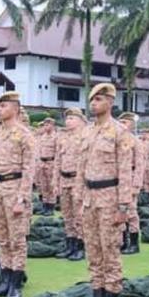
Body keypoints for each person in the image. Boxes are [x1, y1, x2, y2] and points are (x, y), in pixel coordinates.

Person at [77, 84, 132, 297]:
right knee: (93, 253)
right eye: (92, 100)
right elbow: (82, 168)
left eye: (99, 99)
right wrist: (80, 197)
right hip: (90, 198)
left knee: (110, 253)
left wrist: (124, 207)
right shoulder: (87, 132)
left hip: (110, 197)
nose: (94, 104)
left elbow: (125, 173)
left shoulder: (120, 132)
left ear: (110, 102)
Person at [0, 92, 36, 297]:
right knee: (2, 238)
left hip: (15, 188)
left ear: (15, 108)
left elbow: (29, 169)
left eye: (4, 106)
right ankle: (4, 280)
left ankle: (15, 283)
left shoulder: (25, 134)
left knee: (17, 239)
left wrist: (22, 198)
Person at [56, 108, 88, 261]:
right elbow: (58, 161)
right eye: (67, 118)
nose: (68, 121)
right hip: (64, 180)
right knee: (67, 215)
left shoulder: (85, 137)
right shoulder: (63, 138)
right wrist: (55, 181)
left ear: (81, 120)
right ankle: (70, 245)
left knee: (79, 216)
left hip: (78, 181)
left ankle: (82, 247)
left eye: (72, 118)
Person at [118, 112, 144, 254]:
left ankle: (134, 243)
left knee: (131, 212)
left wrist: (136, 184)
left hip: (130, 178)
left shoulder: (136, 142)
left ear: (132, 125)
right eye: (120, 122)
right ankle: (122, 241)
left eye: (125, 122)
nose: (122, 125)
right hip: (118, 181)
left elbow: (140, 165)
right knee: (119, 211)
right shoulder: (116, 141)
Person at [35, 117, 58, 215]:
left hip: (51, 162)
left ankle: (51, 207)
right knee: (43, 185)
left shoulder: (56, 137)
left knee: (51, 186)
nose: (46, 126)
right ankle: (44, 205)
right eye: (45, 125)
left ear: (53, 126)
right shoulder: (42, 137)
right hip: (42, 163)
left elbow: (57, 153)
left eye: (48, 125)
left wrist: (56, 166)